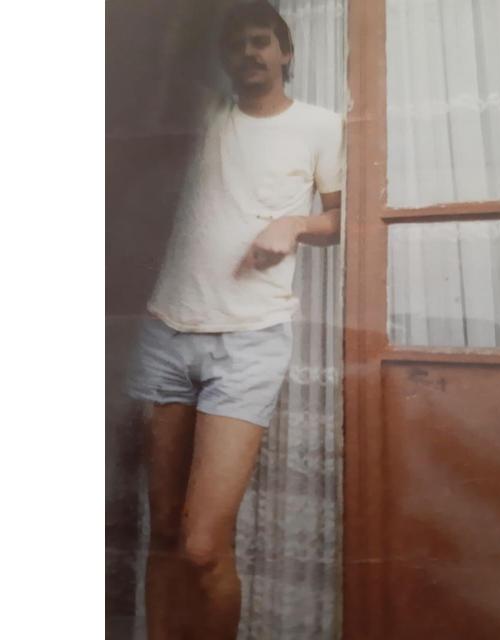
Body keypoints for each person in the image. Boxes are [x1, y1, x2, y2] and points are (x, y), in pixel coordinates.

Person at [125, 1, 344, 638]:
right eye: (236, 44)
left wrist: (295, 223)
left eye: (260, 41)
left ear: (286, 53)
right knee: (164, 533)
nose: (249, 53)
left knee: (201, 545)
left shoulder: (320, 125)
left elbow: (341, 218)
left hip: (249, 342)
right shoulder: (201, 119)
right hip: (164, 334)